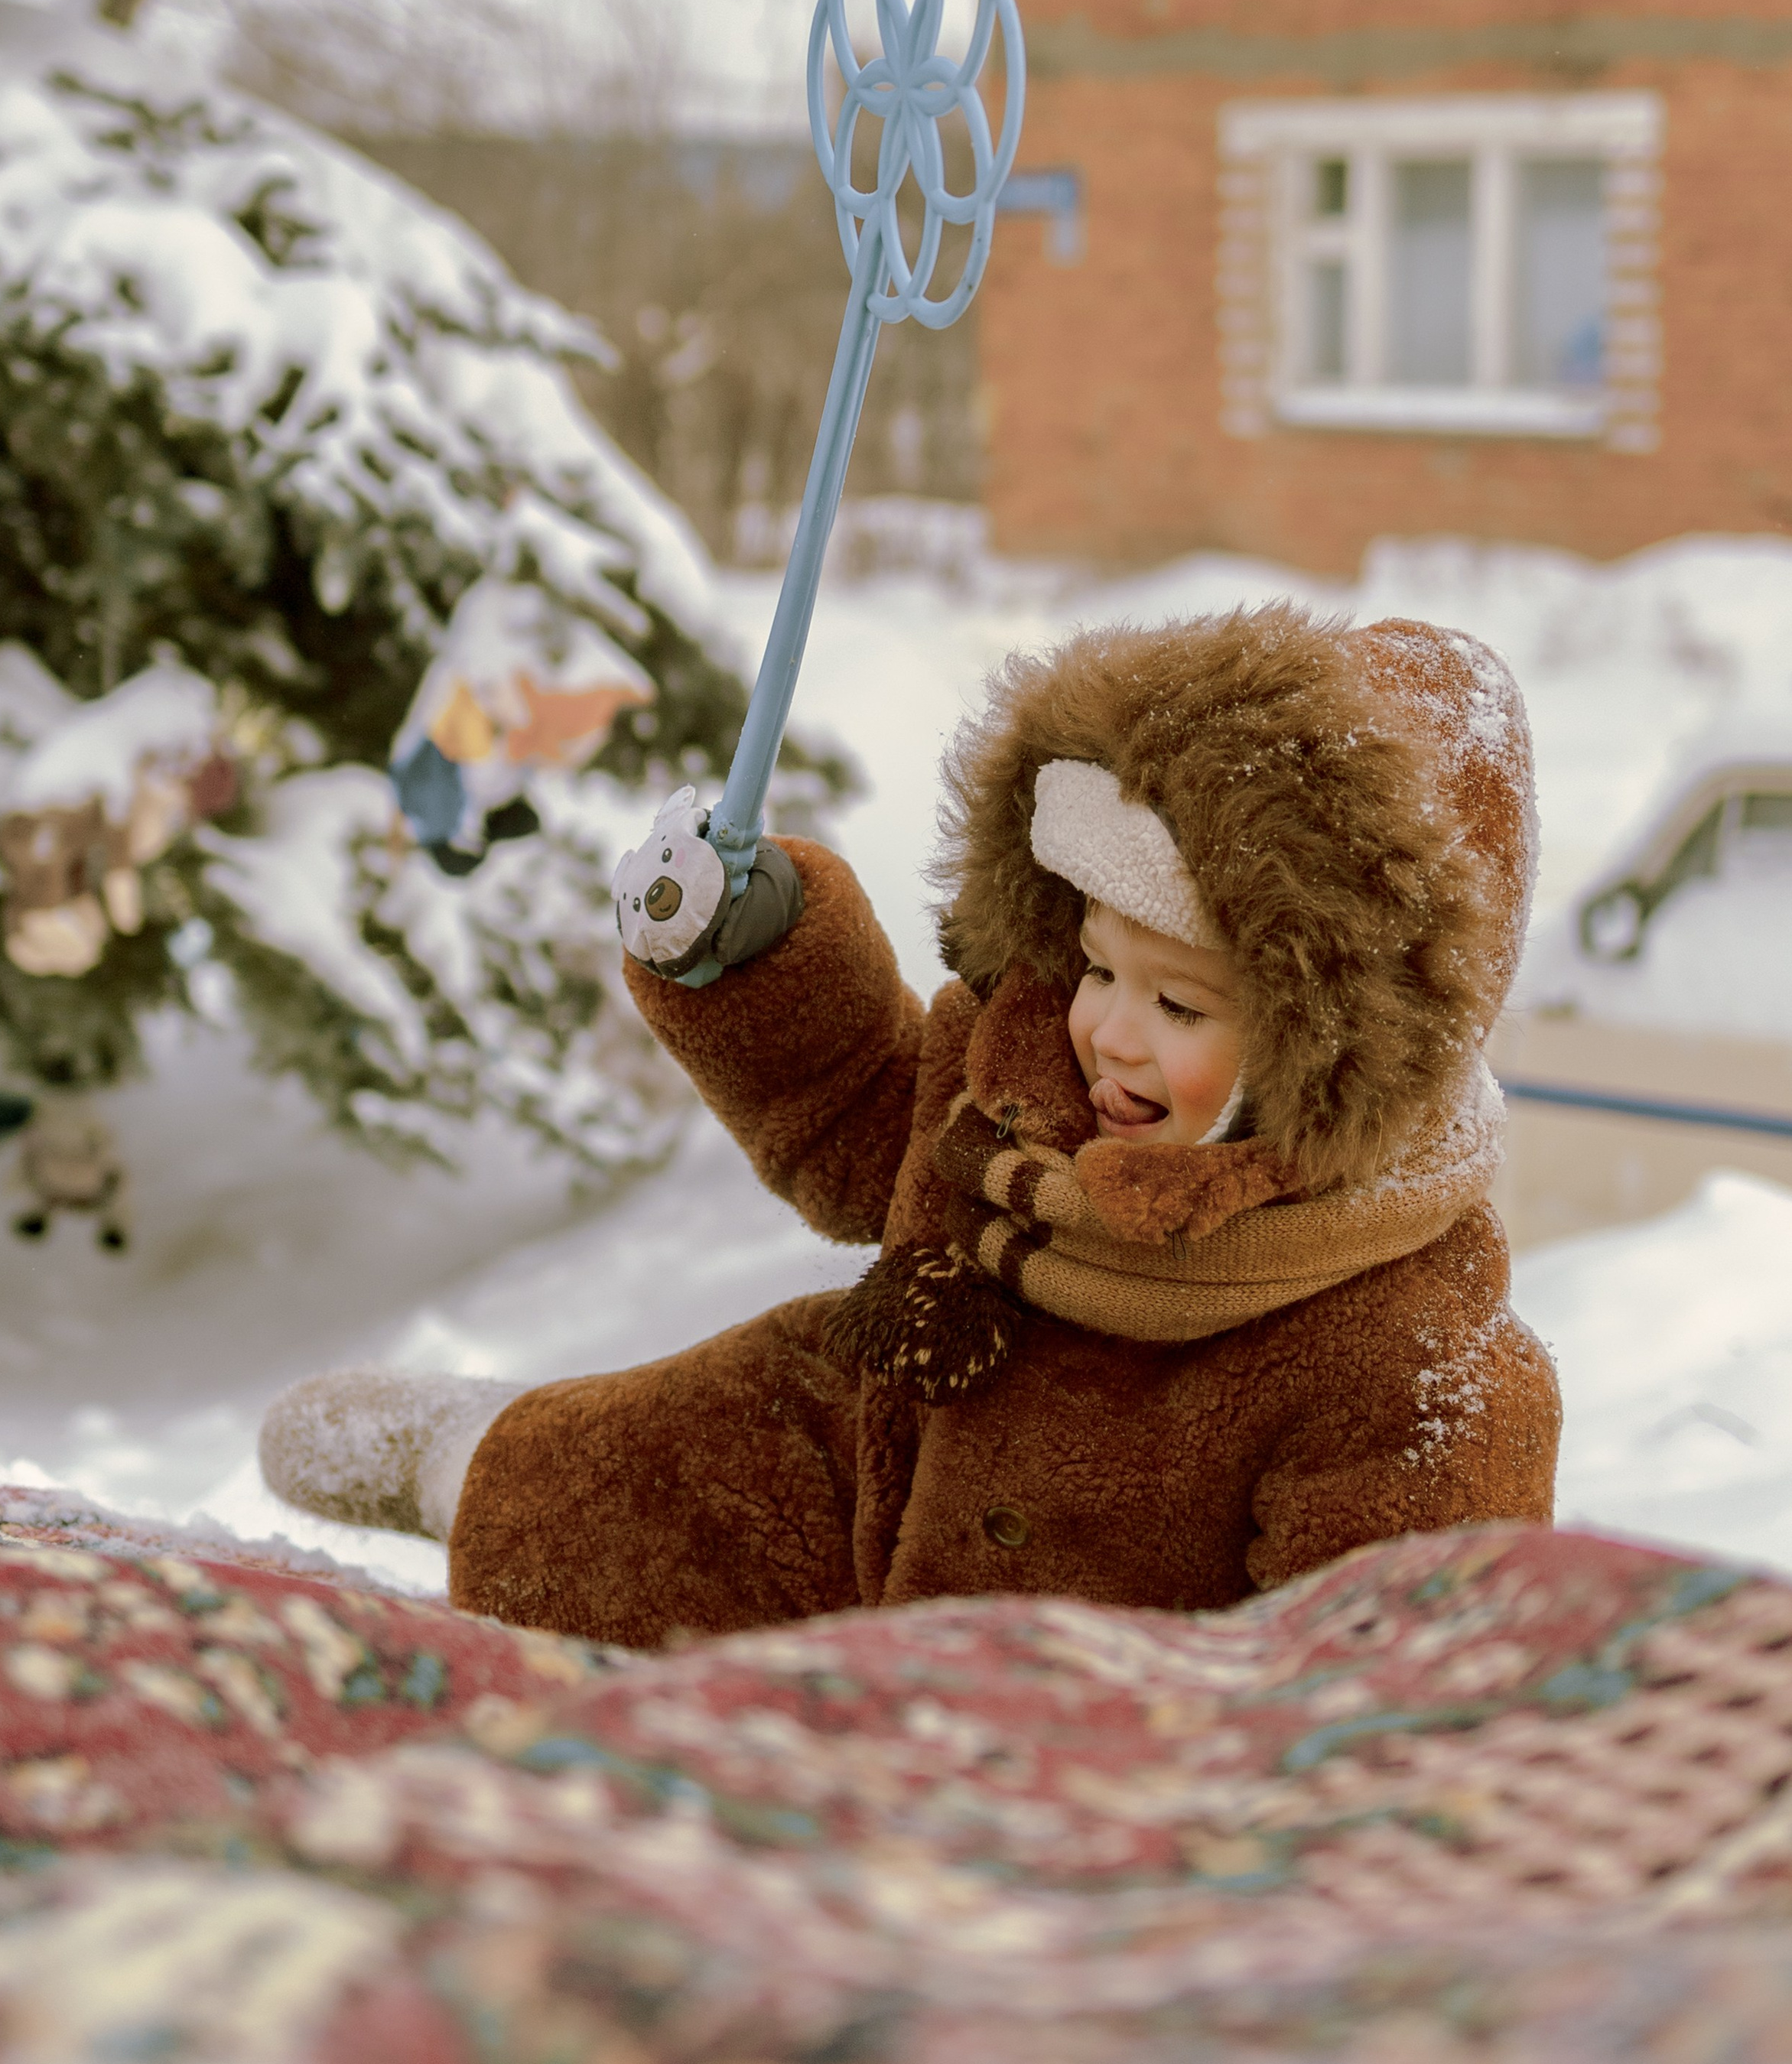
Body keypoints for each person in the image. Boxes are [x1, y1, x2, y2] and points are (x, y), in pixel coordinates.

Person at [260, 605, 1560, 1648]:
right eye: (1100, 969)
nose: (1108, 1030)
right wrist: (758, 960)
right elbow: (859, 1114)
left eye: (1179, 1001)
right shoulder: (1026, 1080)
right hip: (861, 1498)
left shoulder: (1413, 1369)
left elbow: (1378, 1691)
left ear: (1337, 1041)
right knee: (698, 1444)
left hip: (1085, 1757)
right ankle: (478, 1462)